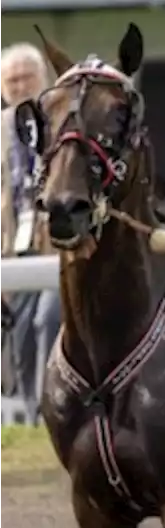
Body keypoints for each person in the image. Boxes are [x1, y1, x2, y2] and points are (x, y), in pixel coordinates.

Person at [0, 42, 61, 426]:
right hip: (15, 251)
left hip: (58, 246)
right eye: (11, 79)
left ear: (43, 80)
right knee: (20, 333)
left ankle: (52, 415)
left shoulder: (62, 118)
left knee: (47, 320)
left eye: (27, 77)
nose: (20, 85)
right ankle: (32, 416)